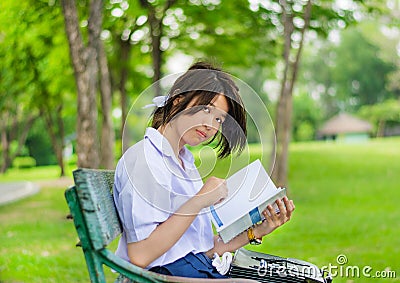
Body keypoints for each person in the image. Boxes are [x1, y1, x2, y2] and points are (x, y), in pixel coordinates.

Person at [113, 61, 295, 278]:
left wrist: (257, 231)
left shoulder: (184, 164)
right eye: (206, 109)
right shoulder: (145, 160)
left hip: (193, 270)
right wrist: (200, 199)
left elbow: (203, 250)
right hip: (162, 277)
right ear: (178, 100)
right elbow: (141, 255)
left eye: (219, 119)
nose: (211, 125)